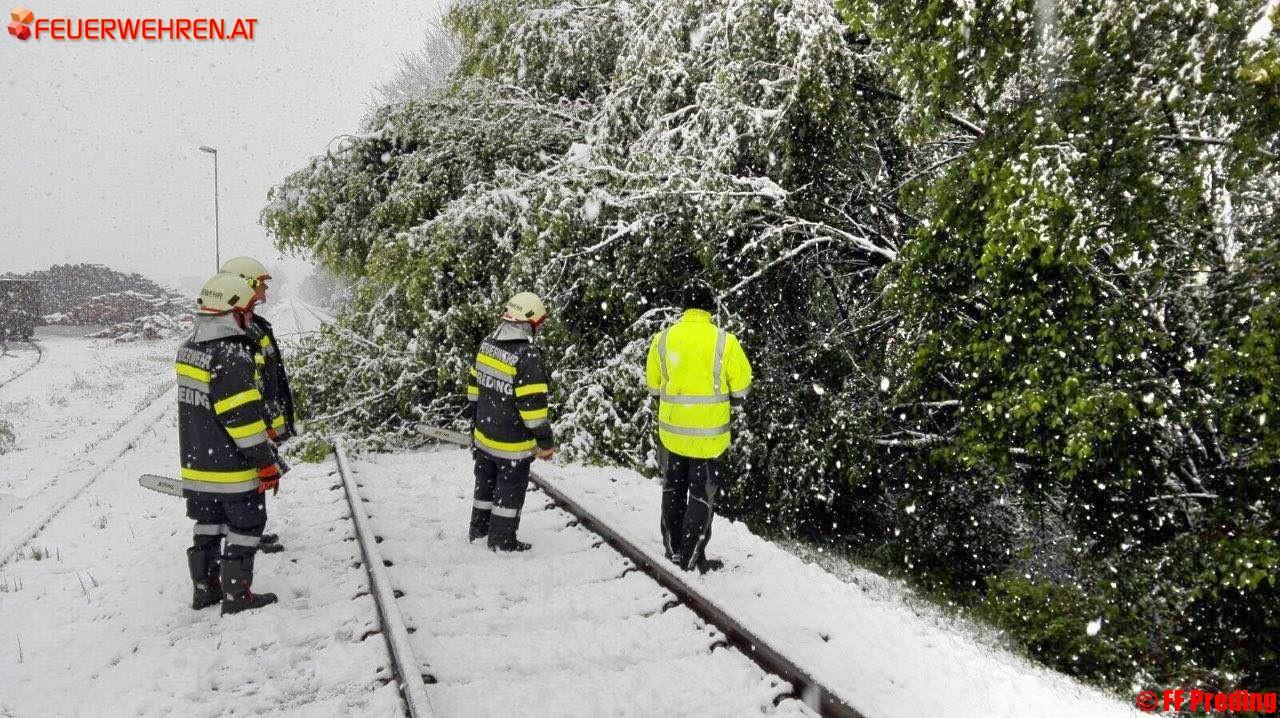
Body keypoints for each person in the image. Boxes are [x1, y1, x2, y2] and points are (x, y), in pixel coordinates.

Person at [178, 273, 284, 614]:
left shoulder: (189, 349)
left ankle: (204, 589)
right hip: (233, 468)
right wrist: (265, 463)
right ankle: (237, 596)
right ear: (232, 312)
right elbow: (243, 420)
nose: (251, 317)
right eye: (248, 310)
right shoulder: (233, 355)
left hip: (197, 464)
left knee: (207, 526)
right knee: (246, 526)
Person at [645, 284, 752, 573]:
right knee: (701, 494)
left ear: (684, 308)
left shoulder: (663, 339)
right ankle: (691, 557)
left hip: (672, 434)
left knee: (672, 488)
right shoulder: (725, 342)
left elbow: (653, 386)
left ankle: (673, 549)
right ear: (710, 308)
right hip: (708, 437)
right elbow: (742, 388)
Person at [463, 292, 556, 551]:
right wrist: (545, 443)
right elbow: (533, 411)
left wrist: (475, 421)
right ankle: (502, 542)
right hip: (512, 445)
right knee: (509, 490)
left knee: (484, 486)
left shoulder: (486, 345)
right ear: (529, 323)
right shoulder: (528, 357)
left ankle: (479, 530)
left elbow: (473, 390)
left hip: (484, 437)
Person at [220, 256, 298, 554]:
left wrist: (273, 422)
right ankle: (243, 535)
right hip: (248, 417)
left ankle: (249, 532)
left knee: (255, 478)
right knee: (246, 478)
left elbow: (268, 377)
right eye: (260, 287)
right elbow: (248, 384)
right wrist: (261, 421)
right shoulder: (238, 328)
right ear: (243, 284)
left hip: (258, 416)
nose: (264, 294)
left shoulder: (250, 324)